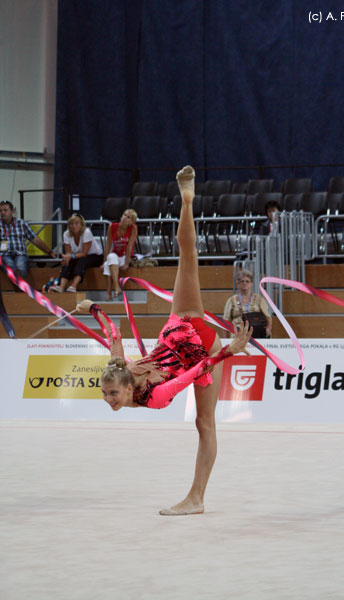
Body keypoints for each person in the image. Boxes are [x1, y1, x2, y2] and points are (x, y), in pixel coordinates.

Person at [76, 166, 252, 515]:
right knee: (204, 424)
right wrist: (94, 308)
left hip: (198, 343)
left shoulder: (152, 395)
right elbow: (114, 333)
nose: (108, 398)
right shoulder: (124, 373)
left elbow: (188, 372)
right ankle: (196, 498)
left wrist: (92, 306)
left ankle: (187, 198)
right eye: (106, 394)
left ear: (126, 388)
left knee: (206, 424)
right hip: (186, 337)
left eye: (110, 393)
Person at [0, 200, 56, 279]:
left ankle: (18, 281)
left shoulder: (22, 223)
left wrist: (50, 252)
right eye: (0, 211)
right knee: (9, 265)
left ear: (12, 211)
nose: (2, 212)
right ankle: (19, 284)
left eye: (5, 210)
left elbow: (35, 239)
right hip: (4, 255)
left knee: (21, 266)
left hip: (20, 254)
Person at [49, 213, 103, 293]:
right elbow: (68, 253)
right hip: (78, 256)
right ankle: (61, 286)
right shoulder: (66, 234)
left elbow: (84, 253)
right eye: (71, 224)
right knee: (68, 262)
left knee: (82, 261)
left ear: (81, 224)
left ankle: (73, 286)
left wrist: (71, 256)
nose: (74, 226)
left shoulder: (86, 232)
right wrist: (66, 258)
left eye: (76, 223)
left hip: (95, 256)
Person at [223, 269, 272, 338]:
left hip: (257, 333)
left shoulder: (259, 299)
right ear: (238, 283)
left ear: (251, 283)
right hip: (238, 334)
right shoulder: (231, 300)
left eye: (247, 281)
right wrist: (226, 339)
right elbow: (225, 321)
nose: (245, 283)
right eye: (242, 281)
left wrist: (268, 329)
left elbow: (268, 317)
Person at [101, 209, 138, 300]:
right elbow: (108, 246)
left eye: (128, 217)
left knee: (108, 264)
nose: (125, 218)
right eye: (124, 215)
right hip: (115, 256)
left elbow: (129, 246)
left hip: (126, 256)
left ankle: (109, 293)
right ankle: (117, 287)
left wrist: (126, 263)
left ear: (131, 222)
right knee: (108, 261)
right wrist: (103, 261)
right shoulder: (112, 226)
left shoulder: (133, 228)